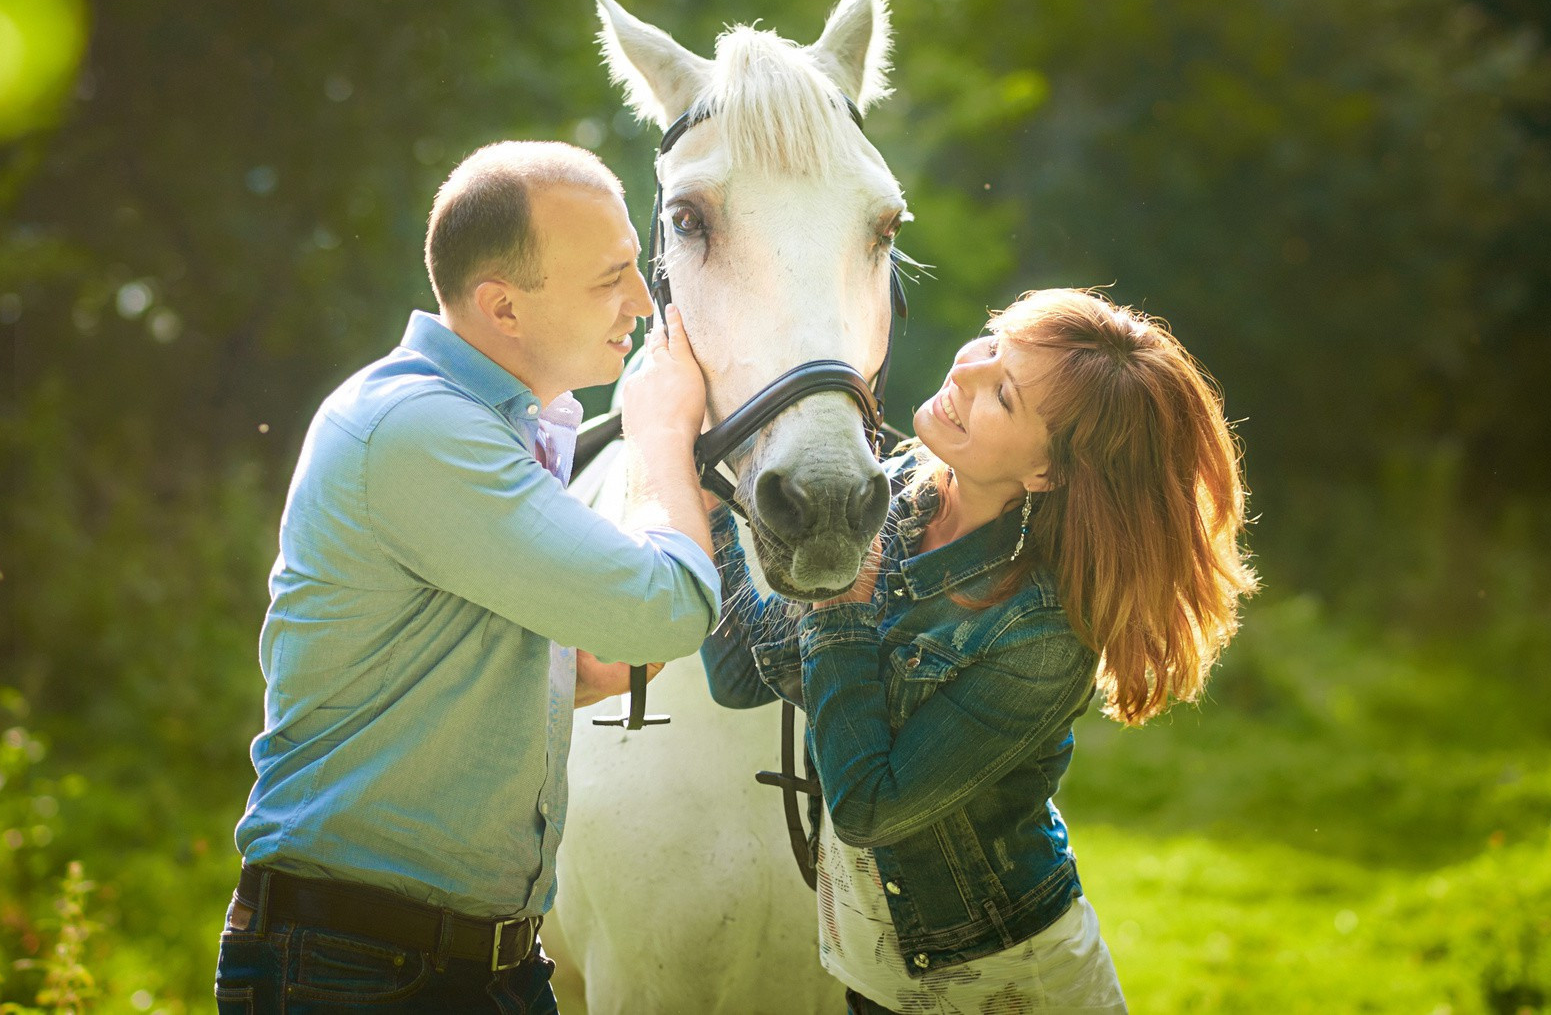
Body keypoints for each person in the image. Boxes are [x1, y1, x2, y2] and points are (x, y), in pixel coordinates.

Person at [216, 141, 719, 1014]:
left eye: (637, 268)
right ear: (502, 307)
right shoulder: (420, 429)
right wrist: (659, 437)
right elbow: (666, 609)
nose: (642, 301)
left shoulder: (486, 424)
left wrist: (552, 674)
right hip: (357, 970)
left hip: (477, 968)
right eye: (610, 279)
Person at [703, 287, 1257, 1014]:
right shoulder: (897, 495)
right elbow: (743, 672)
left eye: (1002, 393)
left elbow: (869, 807)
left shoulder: (1044, 633)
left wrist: (838, 602)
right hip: (872, 974)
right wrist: (713, 506)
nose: (965, 373)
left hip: (1002, 983)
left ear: (1047, 473)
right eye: (993, 344)